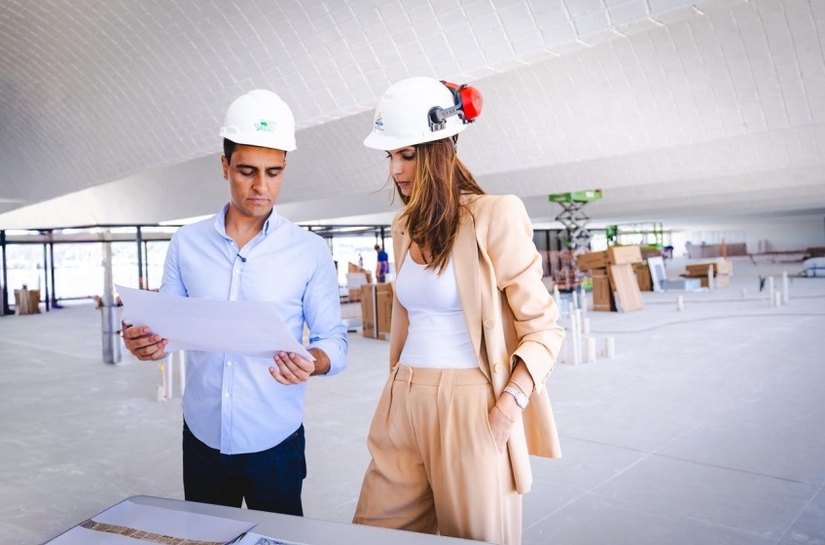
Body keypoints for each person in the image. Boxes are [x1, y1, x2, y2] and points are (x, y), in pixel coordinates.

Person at [352, 76, 565, 545]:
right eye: (390, 155)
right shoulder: (404, 225)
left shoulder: (495, 215)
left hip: (471, 403)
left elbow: (544, 328)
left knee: (473, 537)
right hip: (402, 396)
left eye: (407, 154)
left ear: (441, 149)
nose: (395, 169)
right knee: (371, 532)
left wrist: (507, 409)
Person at [123, 89, 347, 516]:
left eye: (274, 172)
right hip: (203, 437)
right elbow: (166, 327)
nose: (261, 186)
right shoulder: (186, 244)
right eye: (246, 171)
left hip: (275, 440)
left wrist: (313, 360)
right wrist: (145, 340)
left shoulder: (309, 251)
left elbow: (334, 341)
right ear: (224, 166)